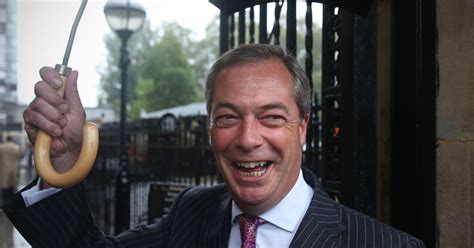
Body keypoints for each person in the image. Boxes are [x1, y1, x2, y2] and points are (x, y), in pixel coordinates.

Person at [4, 44, 425, 247]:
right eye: (227, 117)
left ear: (302, 127)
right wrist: (63, 159)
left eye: (272, 117)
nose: (246, 139)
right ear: (209, 128)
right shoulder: (191, 212)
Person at [0, 136, 21, 205]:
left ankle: (4, 204)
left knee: (4, 187)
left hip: (4, 169)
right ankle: (11, 203)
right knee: (12, 187)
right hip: (13, 169)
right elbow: (19, 156)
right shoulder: (16, 147)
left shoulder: (1, 147)